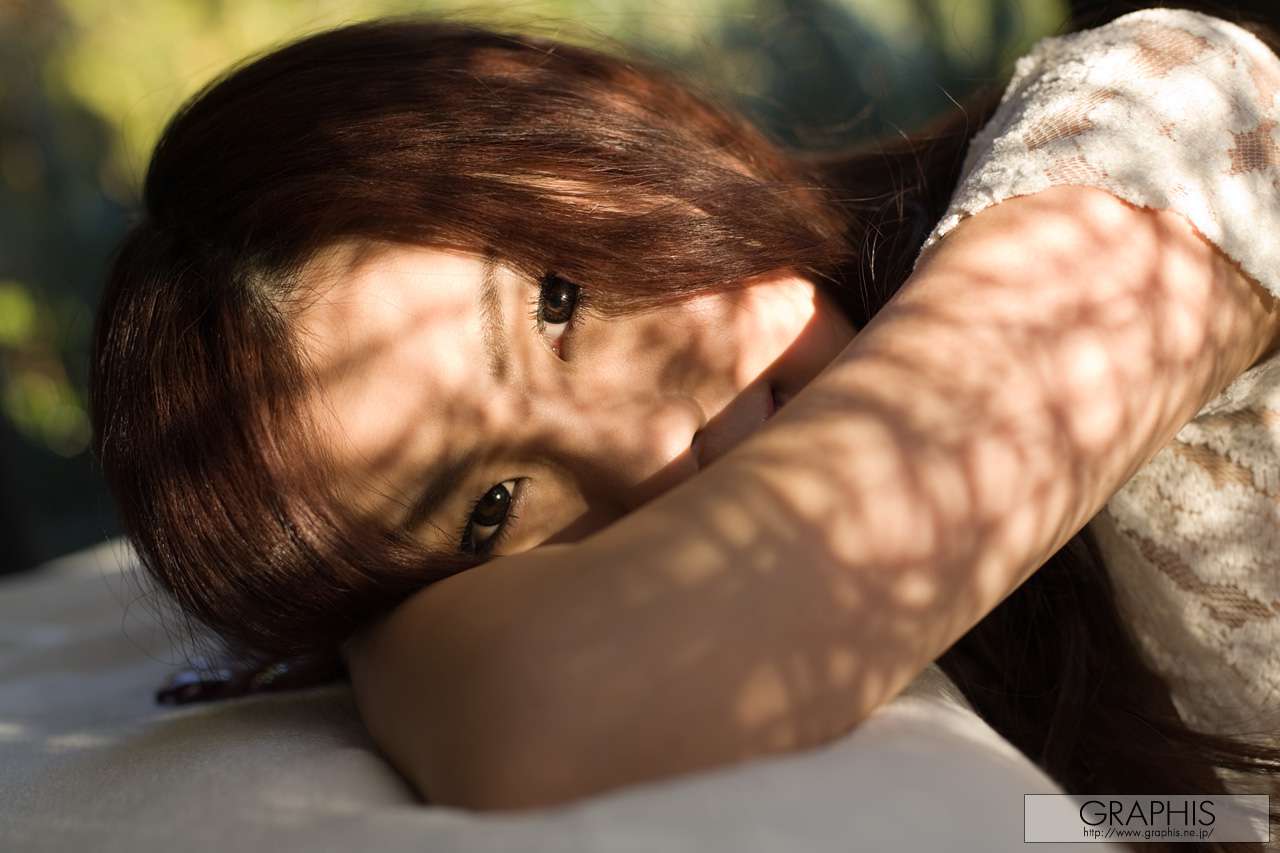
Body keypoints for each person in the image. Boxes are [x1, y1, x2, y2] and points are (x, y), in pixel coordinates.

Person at [90, 3, 1280, 846]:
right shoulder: (980, 664)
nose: (651, 454)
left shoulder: (1154, 129)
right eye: (491, 509)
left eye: (559, 304)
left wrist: (384, 640)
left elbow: (564, 702)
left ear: (604, 130)